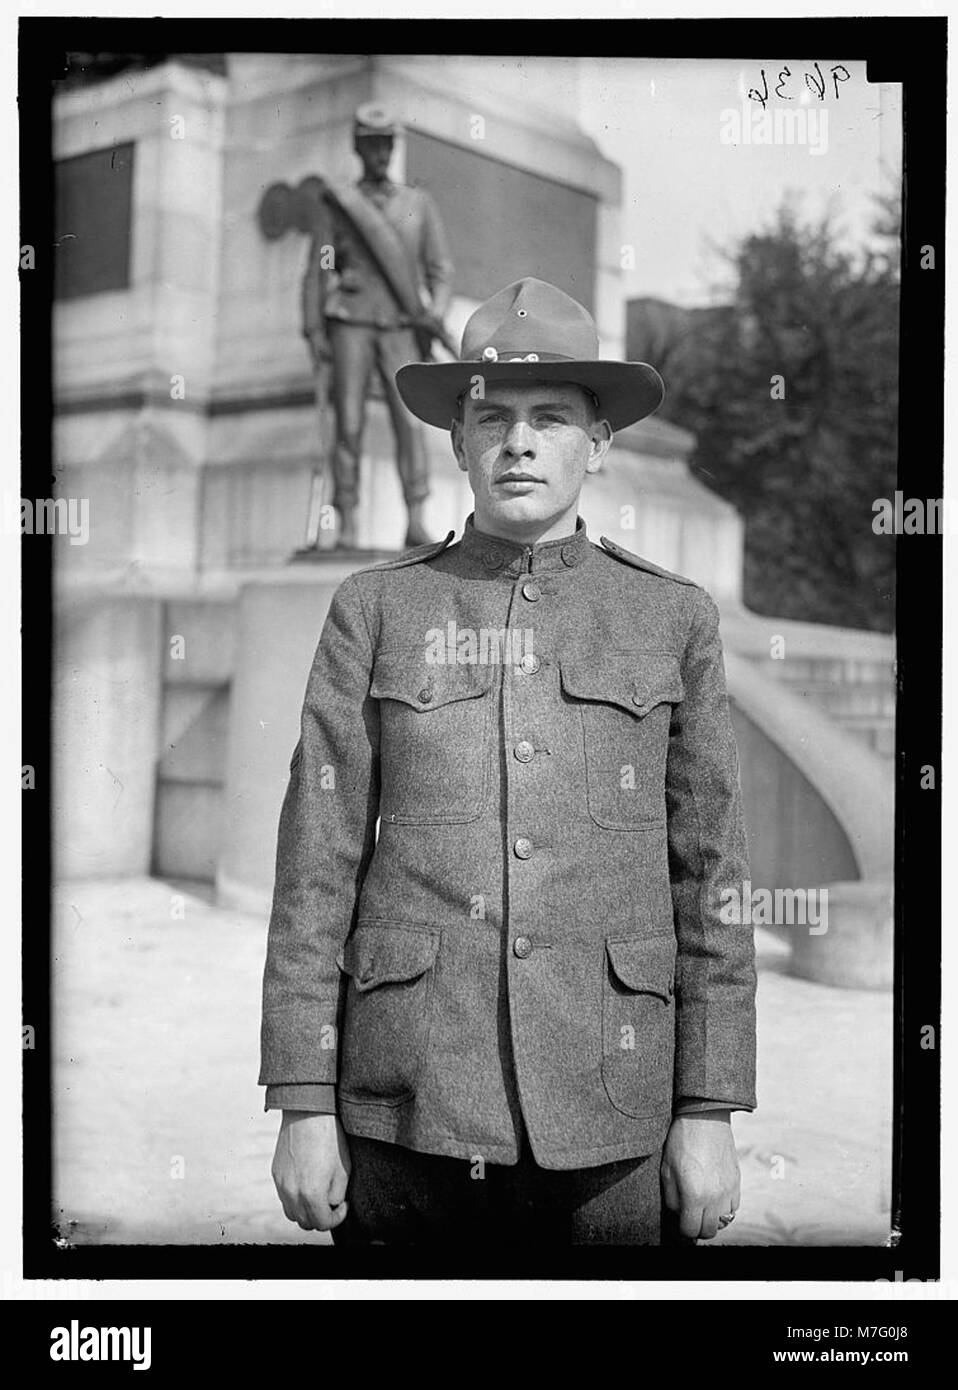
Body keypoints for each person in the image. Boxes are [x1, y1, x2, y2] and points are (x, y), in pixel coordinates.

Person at [260, 277, 757, 1246]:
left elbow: (712, 879)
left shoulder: (670, 617)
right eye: (492, 416)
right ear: (456, 440)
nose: (519, 441)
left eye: (551, 418)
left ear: (599, 442)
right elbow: (315, 867)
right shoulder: (377, 607)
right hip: (405, 1101)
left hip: (611, 1105)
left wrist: (707, 1107)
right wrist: (303, 1099)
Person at [301, 102, 454, 548]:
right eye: (372, 144)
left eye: (387, 144)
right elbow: (320, 267)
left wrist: (434, 315)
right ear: (357, 147)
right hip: (350, 320)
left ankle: (416, 517)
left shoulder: (418, 204)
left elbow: (440, 270)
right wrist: (313, 327)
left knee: (410, 422)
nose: (380, 153)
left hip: (402, 325)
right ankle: (347, 519)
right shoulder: (340, 205)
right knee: (348, 421)